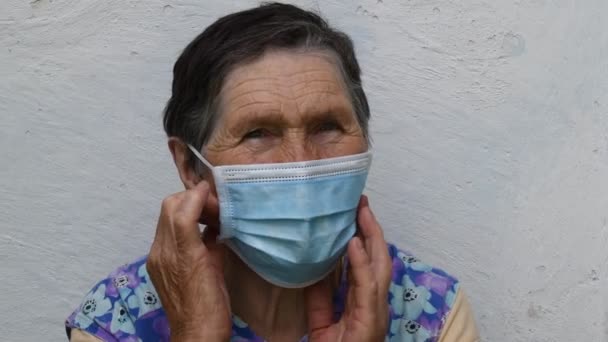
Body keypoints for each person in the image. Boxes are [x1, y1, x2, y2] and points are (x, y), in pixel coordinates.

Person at [65, 3, 479, 341]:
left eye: (328, 126)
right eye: (258, 133)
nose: (300, 161)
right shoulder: (118, 318)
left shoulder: (429, 310)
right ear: (190, 167)